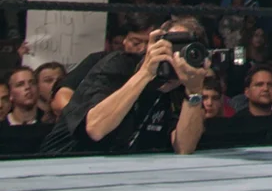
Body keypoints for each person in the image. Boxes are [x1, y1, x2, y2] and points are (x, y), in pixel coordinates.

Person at [38, 19, 211, 155]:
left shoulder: (184, 89)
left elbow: (184, 148)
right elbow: (95, 129)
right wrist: (146, 73)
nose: (176, 57)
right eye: (173, 46)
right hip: (65, 161)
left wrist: (194, 91)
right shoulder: (119, 65)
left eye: (185, 51)